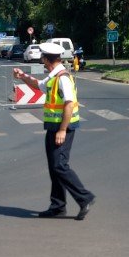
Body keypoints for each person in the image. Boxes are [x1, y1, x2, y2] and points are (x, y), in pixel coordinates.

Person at [14, 41, 95, 220]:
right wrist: (22, 76)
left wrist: (62, 130)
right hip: (53, 126)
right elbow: (38, 85)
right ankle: (58, 206)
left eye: (43, 58)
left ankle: (85, 197)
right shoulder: (53, 76)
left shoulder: (63, 78)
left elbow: (68, 104)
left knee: (60, 165)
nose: (42, 61)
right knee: (54, 167)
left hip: (62, 127)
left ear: (46, 59)